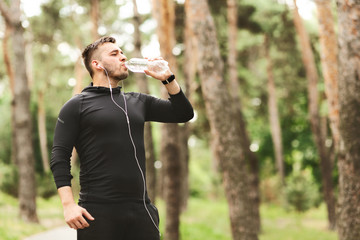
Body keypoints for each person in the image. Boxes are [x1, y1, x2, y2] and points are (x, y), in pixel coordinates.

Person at [50, 36, 194, 240]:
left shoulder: (137, 101)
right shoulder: (77, 105)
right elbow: (59, 156)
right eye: (115, 54)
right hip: (97, 212)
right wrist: (68, 205)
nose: (123, 57)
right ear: (97, 64)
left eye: (122, 52)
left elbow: (183, 114)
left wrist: (168, 79)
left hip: (141, 210)